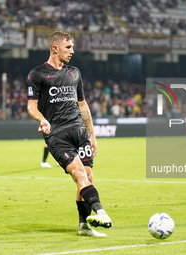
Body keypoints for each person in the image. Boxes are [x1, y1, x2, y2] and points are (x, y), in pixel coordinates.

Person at [26, 31, 112, 237]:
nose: (72, 51)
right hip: (58, 135)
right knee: (79, 174)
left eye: (72, 47)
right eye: (68, 47)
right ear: (55, 48)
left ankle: (84, 226)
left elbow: (82, 105)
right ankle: (101, 212)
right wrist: (42, 120)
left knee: (88, 175)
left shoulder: (74, 72)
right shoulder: (37, 74)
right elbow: (31, 106)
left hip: (79, 131)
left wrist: (92, 134)